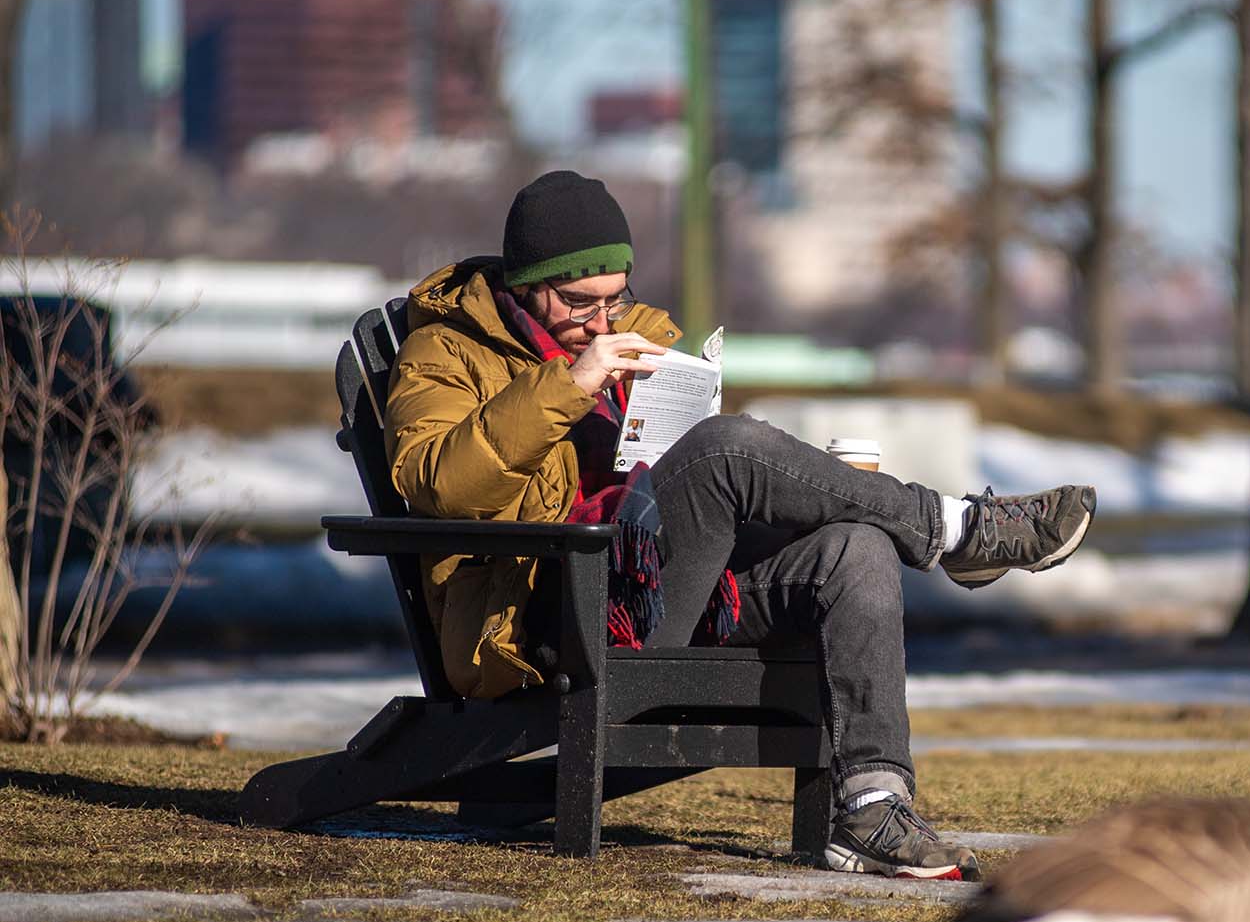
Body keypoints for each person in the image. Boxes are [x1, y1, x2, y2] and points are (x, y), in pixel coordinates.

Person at [385, 171, 1097, 880]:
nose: (600, 322)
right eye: (578, 302)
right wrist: (567, 386)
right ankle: (955, 528)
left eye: (614, 298)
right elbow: (438, 483)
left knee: (853, 548)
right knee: (727, 449)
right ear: (524, 285)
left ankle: (872, 806)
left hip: (658, 588)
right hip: (549, 612)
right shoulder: (444, 353)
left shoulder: (632, 341)